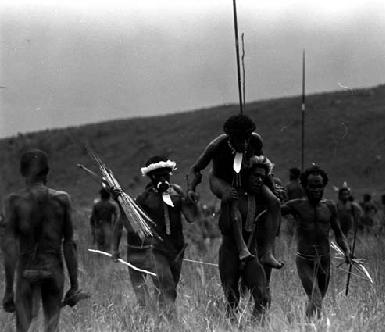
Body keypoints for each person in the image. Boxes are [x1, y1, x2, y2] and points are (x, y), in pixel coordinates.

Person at [2, 149, 84, 332]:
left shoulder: (14, 202)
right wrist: (74, 286)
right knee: (51, 327)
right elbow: (69, 243)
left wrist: (8, 291)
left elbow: (10, 247)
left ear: (23, 172)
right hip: (52, 269)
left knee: (22, 328)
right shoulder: (62, 199)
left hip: (26, 270)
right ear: (47, 171)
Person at [188, 114, 282, 268]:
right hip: (220, 179)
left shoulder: (255, 141)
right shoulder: (216, 146)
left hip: (244, 177)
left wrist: (272, 186)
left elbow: (261, 163)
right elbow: (196, 169)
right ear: (230, 137)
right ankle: (242, 248)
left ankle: (267, 253)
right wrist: (191, 188)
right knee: (232, 196)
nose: (244, 143)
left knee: (274, 201)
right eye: (239, 139)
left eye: (246, 138)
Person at [111, 156, 200, 314]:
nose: (164, 179)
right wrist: (120, 202)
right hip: (156, 251)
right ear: (151, 177)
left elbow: (191, 217)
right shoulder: (144, 198)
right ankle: (172, 323)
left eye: (167, 175)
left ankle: (160, 318)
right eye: (159, 176)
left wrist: (191, 201)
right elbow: (127, 222)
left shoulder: (177, 192)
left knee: (170, 289)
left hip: (177, 250)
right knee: (167, 287)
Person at [281, 165, 351, 319]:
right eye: (312, 186)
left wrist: (346, 250)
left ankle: (300, 322)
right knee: (316, 297)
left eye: (319, 186)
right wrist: (274, 195)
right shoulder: (296, 205)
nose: (316, 190)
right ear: (304, 186)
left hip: (324, 261)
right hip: (305, 260)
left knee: (318, 301)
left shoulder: (329, 207)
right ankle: (305, 326)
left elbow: (339, 233)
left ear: (324, 186)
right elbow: (275, 210)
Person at [219, 156, 275, 319]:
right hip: (230, 254)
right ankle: (231, 328)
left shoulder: (262, 200)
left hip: (251, 255)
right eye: (255, 175)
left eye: (262, 177)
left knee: (262, 296)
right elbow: (223, 227)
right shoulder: (233, 196)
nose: (258, 180)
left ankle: (256, 327)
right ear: (246, 175)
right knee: (232, 298)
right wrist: (224, 203)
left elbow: (274, 215)